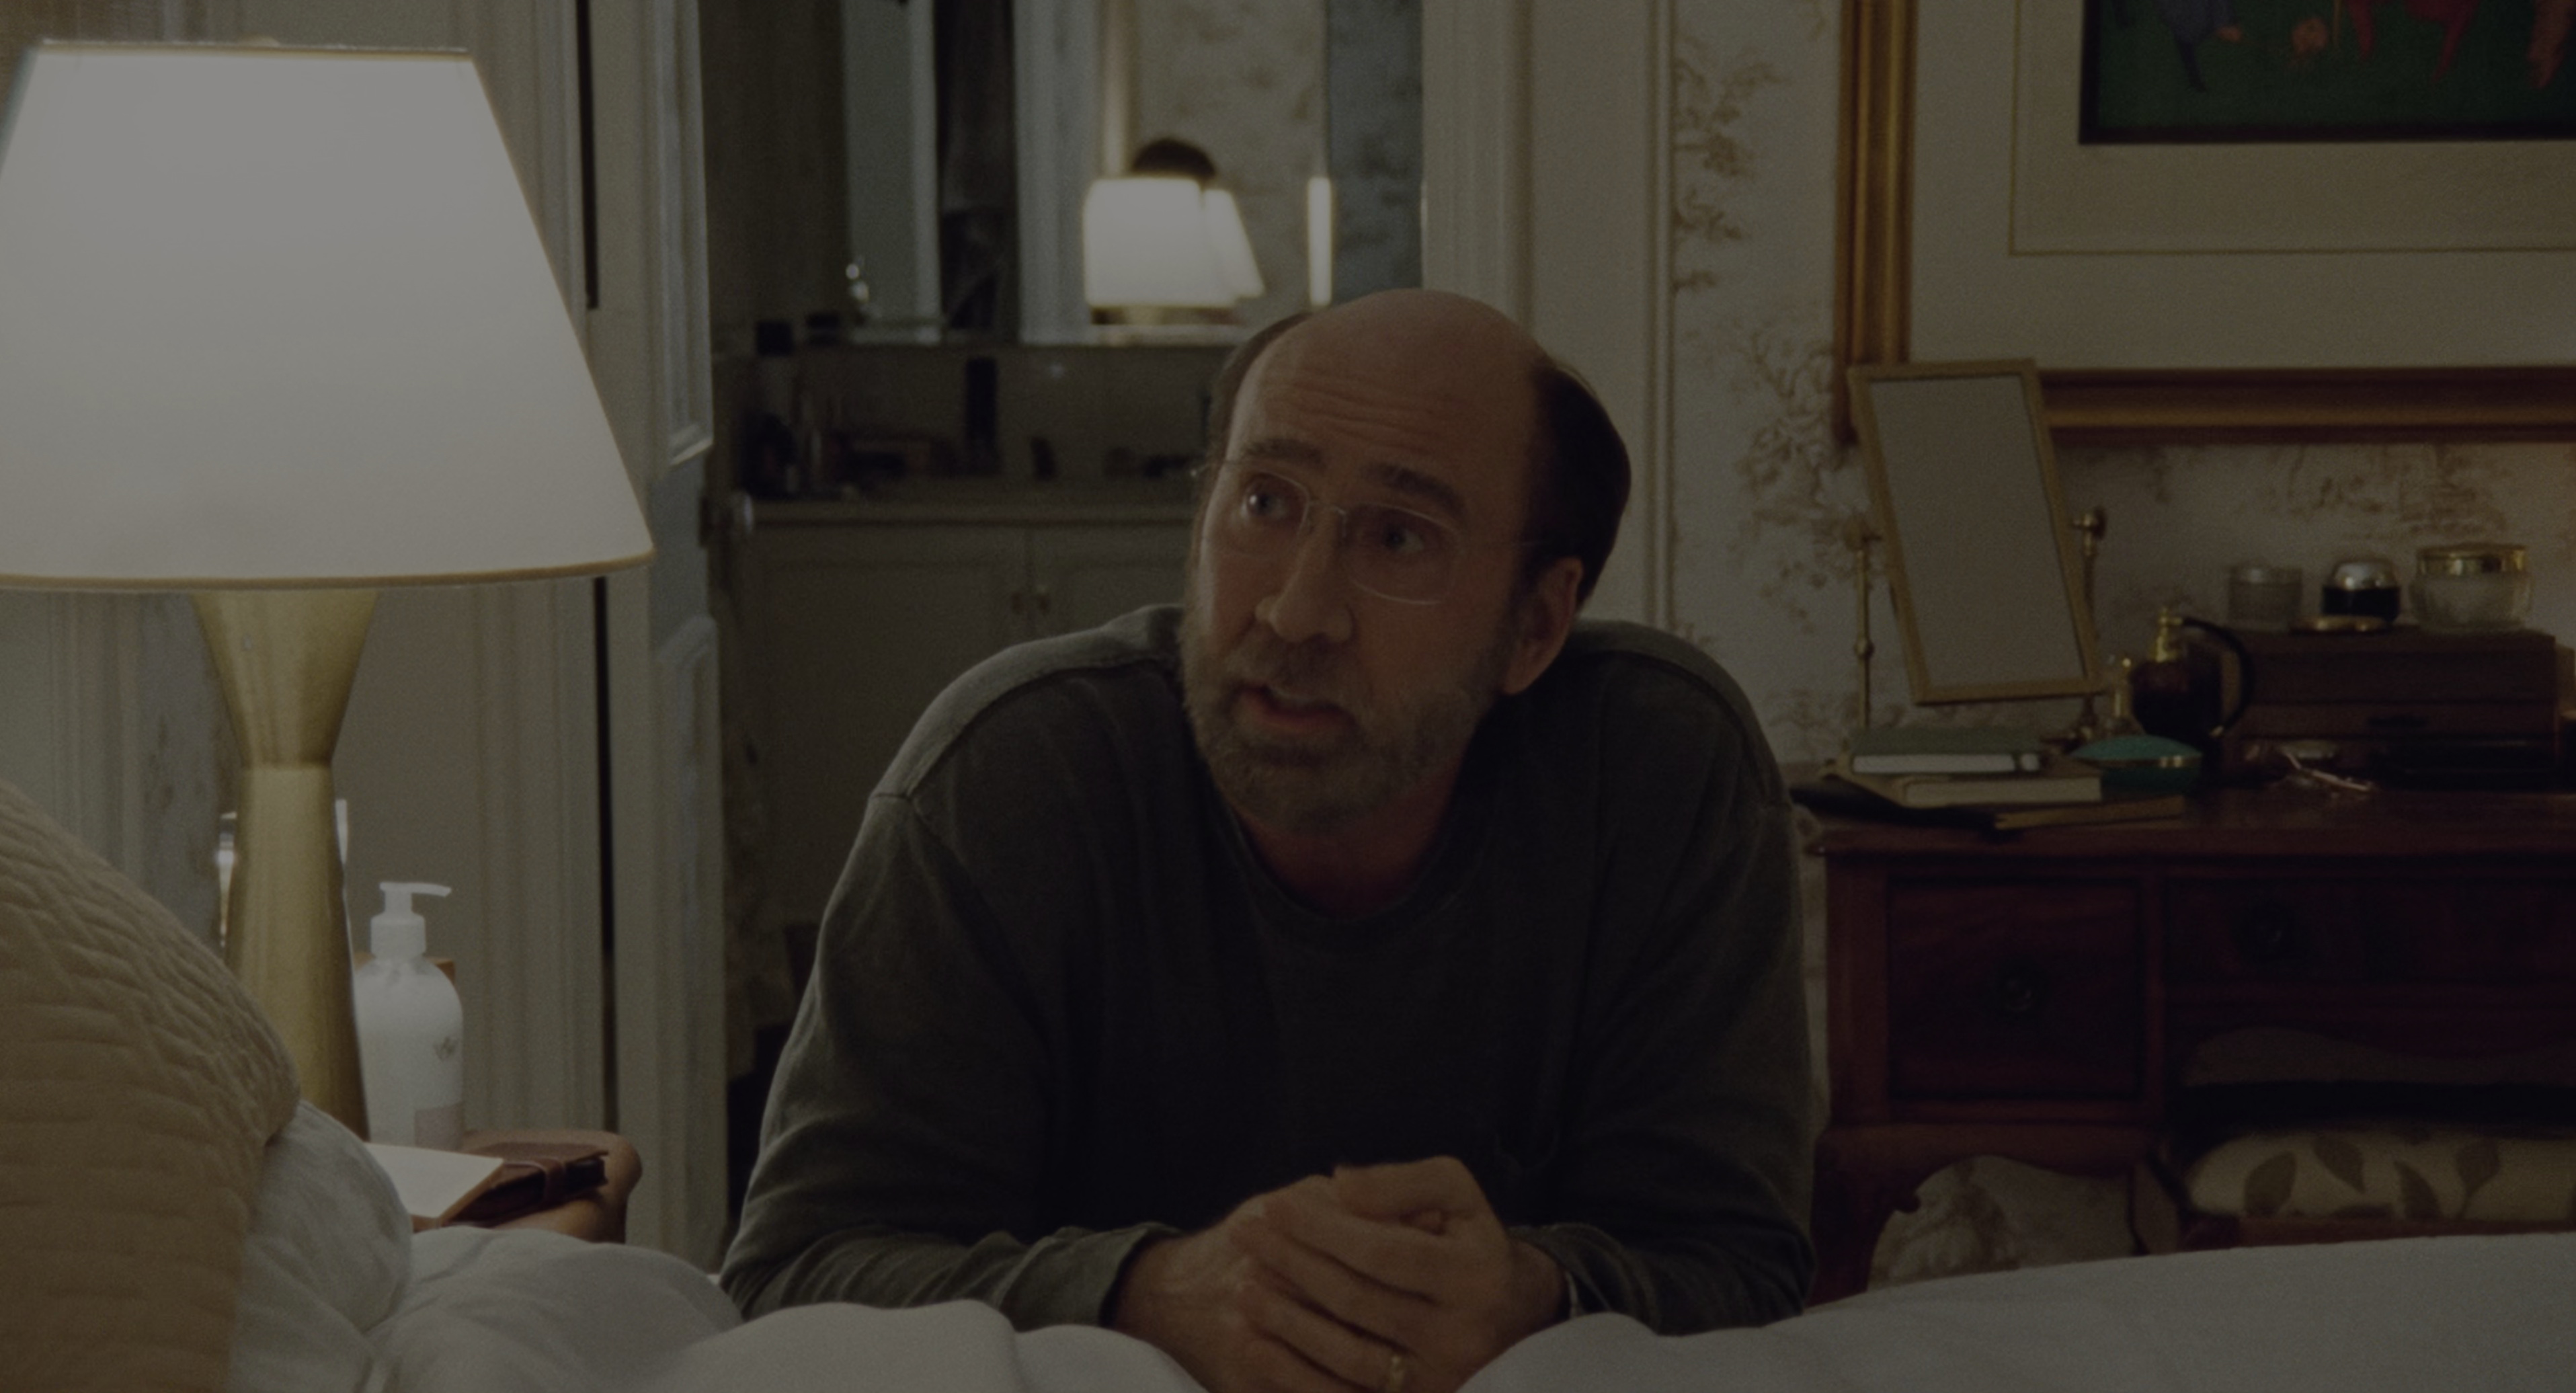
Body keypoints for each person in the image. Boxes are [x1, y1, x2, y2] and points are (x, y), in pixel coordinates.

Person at [721, 290, 1812, 1393]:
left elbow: (1741, 1268)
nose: (1296, 612)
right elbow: (793, 1278)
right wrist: (1140, 1297)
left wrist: (1539, 1297)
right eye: (1264, 502)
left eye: (1399, 535)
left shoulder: (1660, 777)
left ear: (1534, 626)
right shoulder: (1008, 781)